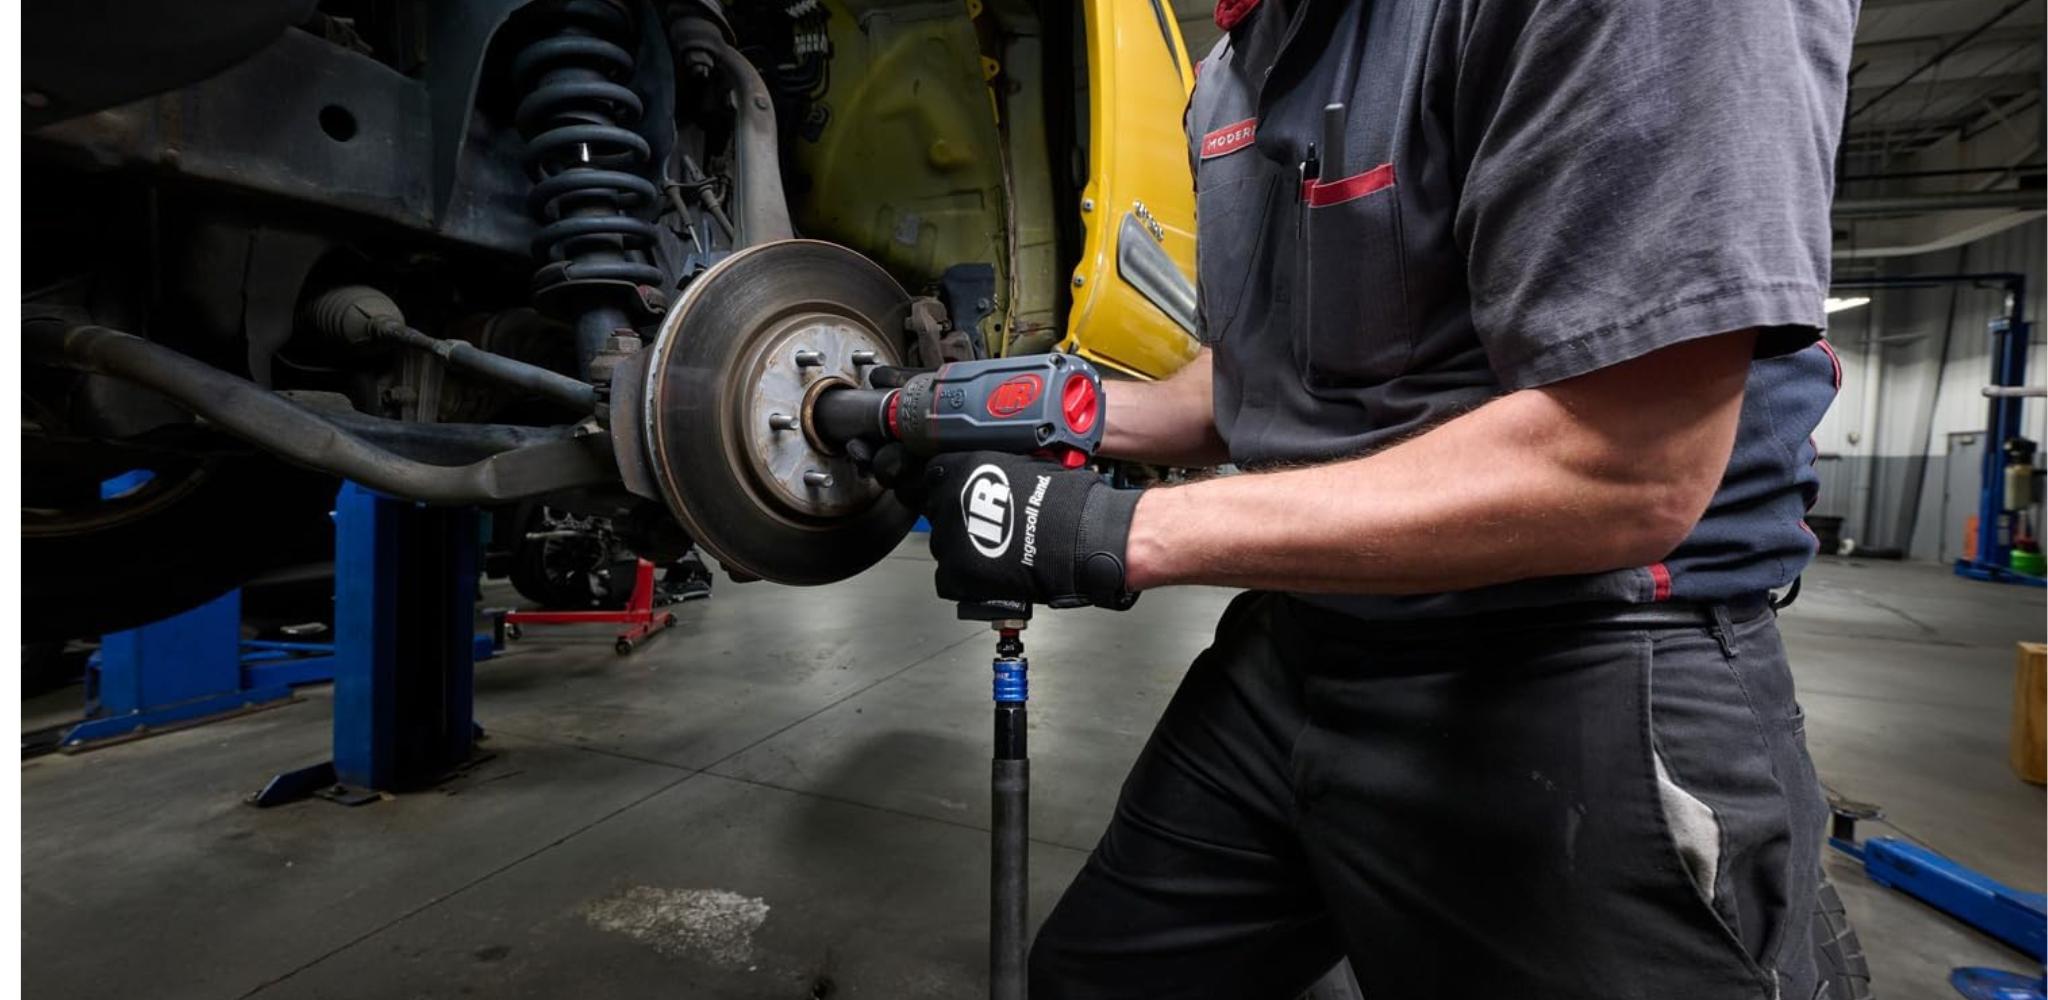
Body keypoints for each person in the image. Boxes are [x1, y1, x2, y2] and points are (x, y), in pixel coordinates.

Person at [904, 0, 1857, 997]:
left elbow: (1624, 464)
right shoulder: (1232, 69)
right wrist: (1041, 410)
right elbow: (1254, 379)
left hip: (1583, 650)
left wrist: (1108, 528)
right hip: (1310, 634)